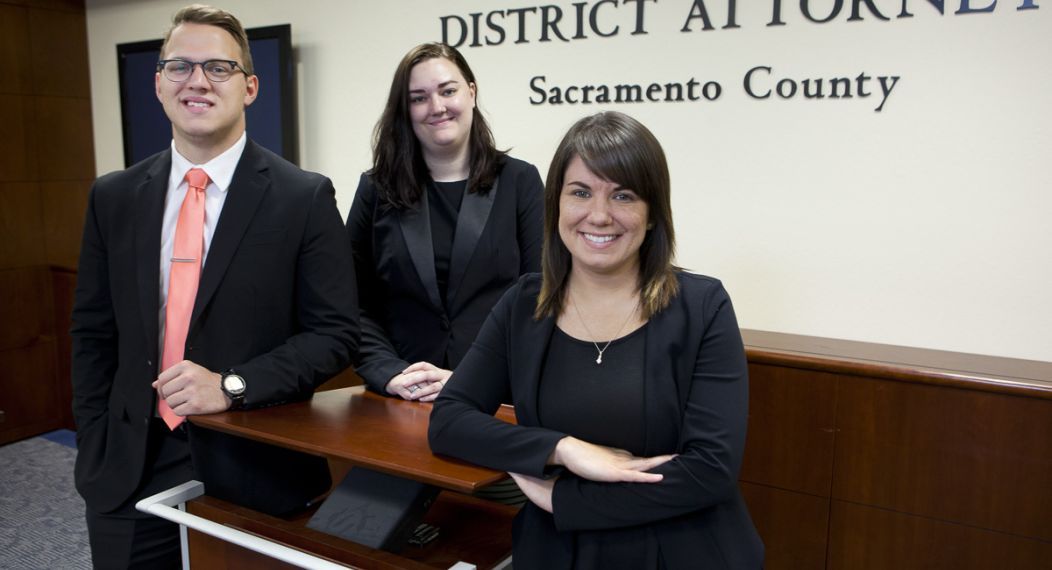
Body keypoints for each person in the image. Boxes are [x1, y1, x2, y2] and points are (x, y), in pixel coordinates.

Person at [70, 5, 359, 568]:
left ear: (250, 87)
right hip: (128, 462)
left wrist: (232, 384)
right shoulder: (114, 197)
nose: (197, 81)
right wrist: (95, 438)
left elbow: (334, 335)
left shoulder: (303, 197)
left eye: (218, 69)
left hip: (252, 461)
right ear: (158, 83)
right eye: (179, 66)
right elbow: (92, 332)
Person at [429, 112, 764, 569]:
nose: (599, 215)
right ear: (557, 205)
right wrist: (563, 448)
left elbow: (711, 471)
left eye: (623, 195)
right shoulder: (523, 304)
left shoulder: (702, 306)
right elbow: (448, 420)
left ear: (651, 215)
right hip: (558, 553)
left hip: (681, 549)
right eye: (581, 192)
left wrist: (562, 500)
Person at [347, 42, 543, 402]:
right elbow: (350, 302)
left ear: (471, 92)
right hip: (399, 396)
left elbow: (539, 300)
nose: (436, 107)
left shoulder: (520, 181)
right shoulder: (375, 190)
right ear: (404, 110)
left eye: (447, 91)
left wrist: (473, 378)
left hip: (495, 396)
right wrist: (388, 372)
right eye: (418, 98)